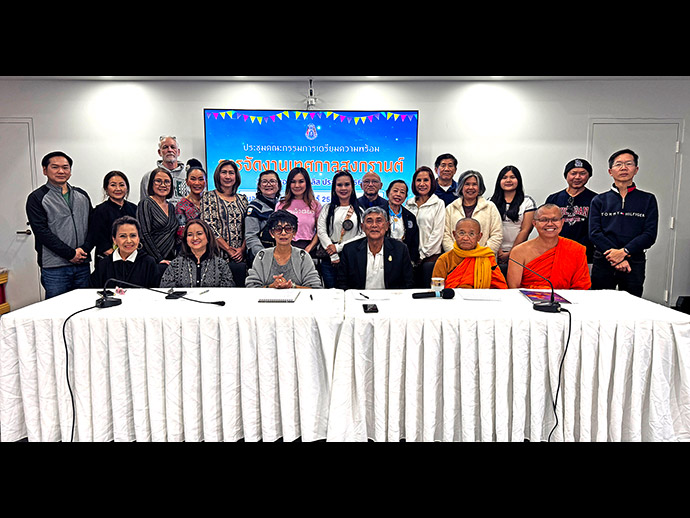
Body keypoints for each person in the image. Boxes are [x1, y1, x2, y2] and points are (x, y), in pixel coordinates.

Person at [589, 149, 658, 297]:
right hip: (604, 259)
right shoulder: (599, 200)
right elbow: (594, 233)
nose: (623, 168)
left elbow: (649, 234)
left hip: (634, 260)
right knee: (599, 302)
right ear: (610, 171)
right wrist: (615, 257)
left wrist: (624, 252)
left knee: (632, 304)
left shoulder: (648, 199)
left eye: (629, 164)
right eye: (618, 164)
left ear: (636, 169)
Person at [26, 151, 93, 298]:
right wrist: (70, 254)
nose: (61, 171)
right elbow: (42, 232)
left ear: (70, 171)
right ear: (45, 170)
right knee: (56, 308)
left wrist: (84, 249)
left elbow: (93, 226)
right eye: (55, 167)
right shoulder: (37, 198)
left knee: (84, 305)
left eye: (65, 167)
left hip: (82, 264)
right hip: (55, 267)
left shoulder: (82, 195)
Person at [507, 204, 591, 290]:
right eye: (544, 220)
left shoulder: (576, 250)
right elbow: (514, 289)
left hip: (565, 297)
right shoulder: (519, 252)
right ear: (534, 223)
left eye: (555, 220)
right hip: (528, 298)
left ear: (562, 222)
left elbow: (582, 288)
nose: (550, 224)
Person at [336, 206, 414, 290]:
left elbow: (408, 282)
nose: (374, 225)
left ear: (387, 226)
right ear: (362, 227)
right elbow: (342, 283)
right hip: (358, 297)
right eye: (369, 221)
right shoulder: (349, 250)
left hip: (391, 297)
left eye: (379, 221)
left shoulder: (400, 249)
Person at [245, 210, 322, 289]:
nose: (283, 233)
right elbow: (251, 287)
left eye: (288, 229)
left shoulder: (303, 256)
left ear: (294, 232)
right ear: (271, 233)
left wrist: (292, 286)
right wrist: (272, 286)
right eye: (278, 229)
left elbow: (315, 288)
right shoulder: (262, 256)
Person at [316, 170, 365, 288]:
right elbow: (321, 231)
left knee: (353, 292)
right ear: (334, 188)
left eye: (347, 184)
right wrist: (333, 254)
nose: (343, 188)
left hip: (353, 257)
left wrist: (338, 248)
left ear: (352, 187)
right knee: (331, 293)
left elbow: (363, 234)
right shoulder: (327, 208)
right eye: (339, 185)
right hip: (329, 259)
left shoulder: (360, 210)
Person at [545, 158, 598, 262]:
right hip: (556, 251)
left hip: (585, 253)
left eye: (582, 173)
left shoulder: (596, 200)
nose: (577, 177)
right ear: (566, 175)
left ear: (589, 176)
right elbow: (546, 225)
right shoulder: (553, 199)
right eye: (573, 173)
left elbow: (596, 229)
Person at [432, 218, 507, 289]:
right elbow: (437, 288)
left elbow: (499, 287)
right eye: (461, 233)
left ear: (479, 237)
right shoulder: (445, 259)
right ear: (454, 235)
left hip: (480, 297)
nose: (465, 238)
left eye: (471, 234)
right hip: (453, 297)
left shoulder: (487, 258)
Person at [160, 219, 236, 288]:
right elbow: (166, 292)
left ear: (208, 237)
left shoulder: (221, 265)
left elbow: (228, 293)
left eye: (199, 233)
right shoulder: (175, 265)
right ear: (186, 239)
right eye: (190, 235)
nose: (195, 238)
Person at [90, 216, 162, 289]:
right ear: (114, 240)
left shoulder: (148, 263)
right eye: (123, 236)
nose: (129, 241)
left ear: (138, 238)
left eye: (133, 236)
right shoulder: (103, 264)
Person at [489, 165, 537, 273]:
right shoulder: (490, 202)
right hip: (494, 250)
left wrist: (511, 252)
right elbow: (489, 229)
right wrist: (497, 249)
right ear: (499, 181)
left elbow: (526, 230)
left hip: (519, 250)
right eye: (504, 177)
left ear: (518, 180)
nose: (508, 180)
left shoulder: (527, 202)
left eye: (512, 177)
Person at [443, 170, 503, 255]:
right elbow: (445, 235)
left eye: (474, 184)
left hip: (483, 258)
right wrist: (457, 255)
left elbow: (497, 235)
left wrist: (481, 255)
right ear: (461, 187)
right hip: (456, 258)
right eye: (467, 184)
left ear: (480, 187)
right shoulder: (450, 208)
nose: (470, 187)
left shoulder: (490, 207)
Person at [200, 159, 249, 264]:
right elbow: (208, 226)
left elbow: (250, 226)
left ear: (236, 176)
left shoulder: (243, 199)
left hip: (241, 257)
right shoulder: (208, 196)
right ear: (218, 175)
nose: (227, 176)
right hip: (217, 256)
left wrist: (242, 249)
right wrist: (228, 249)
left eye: (231, 173)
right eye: (224, 172)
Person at [405, 166, 446, 288]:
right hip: (410, 259)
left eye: (426, 180)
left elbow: (437, 233)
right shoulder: (408, 204)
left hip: (429, 259)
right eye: (418, 180)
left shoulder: (438, 204)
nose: (422, 184)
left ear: (432, 182)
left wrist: (422, 255)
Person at [88, 170, 137, 265]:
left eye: (121, 185)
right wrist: (119, 257)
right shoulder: (100, 210)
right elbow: (99, 239)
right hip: (108, 261)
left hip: (132, 260)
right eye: (113, 185)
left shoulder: (134, 209)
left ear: (127, 187)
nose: (118, 189)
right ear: (106, 188)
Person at [137, 167, 179, 264]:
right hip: (151, 260)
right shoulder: (146, 203)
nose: (163, 185)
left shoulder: (171, 207)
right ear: (151, 183)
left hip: (170, 259)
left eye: (167, 182)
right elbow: (144, 234)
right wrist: (159, 258)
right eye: (158, 181)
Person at [276, 167, 322, 254]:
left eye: (301, 181)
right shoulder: (281, 205)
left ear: (307, 183)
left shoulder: (315, 205)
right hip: (285, 249)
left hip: (309, 250)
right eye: (293, 182)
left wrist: (309, 248)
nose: (297, 185)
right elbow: (276, 230)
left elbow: (320, 231)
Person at [245, 170, 281, 266]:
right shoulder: (254, 208)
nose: (268, 184)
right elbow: (251, 237)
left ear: (278, 185)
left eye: (272, 181)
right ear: (259, 186)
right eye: (264, 181)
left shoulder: (282, 205)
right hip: (262, 259)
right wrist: (264, 256)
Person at [139, 135, 187, 204]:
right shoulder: (148, 177)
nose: (170, 150)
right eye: (165, 147)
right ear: (159, 152)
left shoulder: (189, 176)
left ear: (178, 152)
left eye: (173, 147)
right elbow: (144, 204)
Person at [385, 179, 419, 264]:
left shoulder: (410, 216)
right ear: (388, 193)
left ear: (406, 196)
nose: (398, 194)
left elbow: (414, 242)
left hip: (403, 258)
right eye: (395, 191)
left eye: (402, 192)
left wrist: (412, 261)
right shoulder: (379, 213)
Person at [175, 158, 207, 241]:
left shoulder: (211, 201)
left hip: (212, 245)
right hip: (190, 244)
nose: (197, 183)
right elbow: (181, 233)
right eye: (193, 179)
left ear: (206, 182)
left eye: (201, 179)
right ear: (187, 181)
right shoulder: (181, 205)